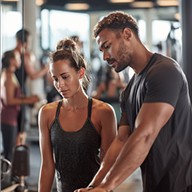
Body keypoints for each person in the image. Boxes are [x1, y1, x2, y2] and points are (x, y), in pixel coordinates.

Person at [75, 11, 192, 192]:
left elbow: (145, 134)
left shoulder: (164, 72)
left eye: (107, 46)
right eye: (101, 50)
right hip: (154, 184)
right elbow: (121, 141)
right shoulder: (129, 90)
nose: (105, 57)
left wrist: (107, 187)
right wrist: (94, 186)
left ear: (127, 34)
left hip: (181, 184)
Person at [38, 38, 117, 192]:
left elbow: (108, 164)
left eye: (65, 77)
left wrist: (92, 188)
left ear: (80, 73)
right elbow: (47, 166)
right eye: (55, 79)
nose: (60, 85)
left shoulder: (103, 112)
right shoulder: (46, 114)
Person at [0, 50, 39, 162]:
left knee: (11, 151)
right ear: (12, 60)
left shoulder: (10, 74)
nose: (19, 60)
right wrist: (28, 100)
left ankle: (13, 177)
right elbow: (9, 100)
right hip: (8, 119)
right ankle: (9, 179)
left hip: (11, 118)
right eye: (17, 57)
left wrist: (28, 98)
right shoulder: (7, 76)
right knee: (9, 154)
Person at [14, 29, 49, 145]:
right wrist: (47, 68)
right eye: (29, 41)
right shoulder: (23, 55)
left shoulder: (10, 54)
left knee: (15, 122)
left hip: (13, 90)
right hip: (19, 91)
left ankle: (14, 153)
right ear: (25, 41)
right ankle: (17, 152)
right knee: (21, 125)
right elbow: (33, 75)